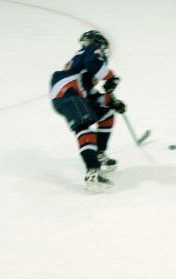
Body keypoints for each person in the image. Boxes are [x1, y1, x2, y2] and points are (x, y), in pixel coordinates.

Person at [50, 30, 126, 191]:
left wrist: (111, 101)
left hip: (71, 94)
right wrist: (111, 77)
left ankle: (98, 154)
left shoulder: (81, 66)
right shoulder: (92, 49)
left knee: (106, 113)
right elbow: (93, 62)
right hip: (67, 92)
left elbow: (90, 95)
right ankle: (93, 172)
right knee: (84, 125)